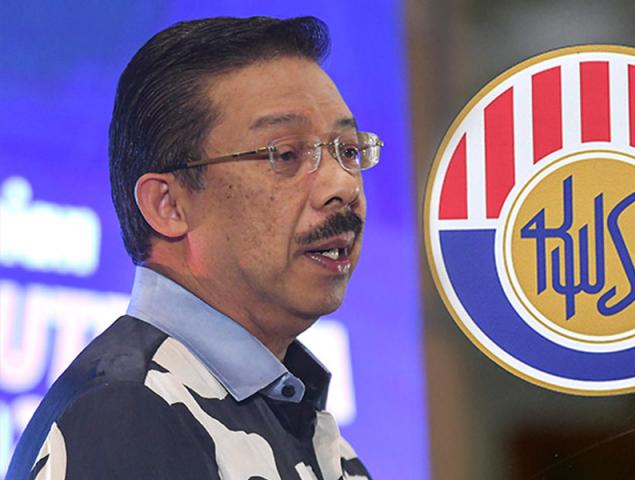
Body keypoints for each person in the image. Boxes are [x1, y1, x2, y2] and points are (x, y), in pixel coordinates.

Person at [8, 15, 380, 480]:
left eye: (348, 151)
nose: (342, 186)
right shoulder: (129, 415)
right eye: (285, 154)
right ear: (168, 204)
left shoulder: (315, 434)